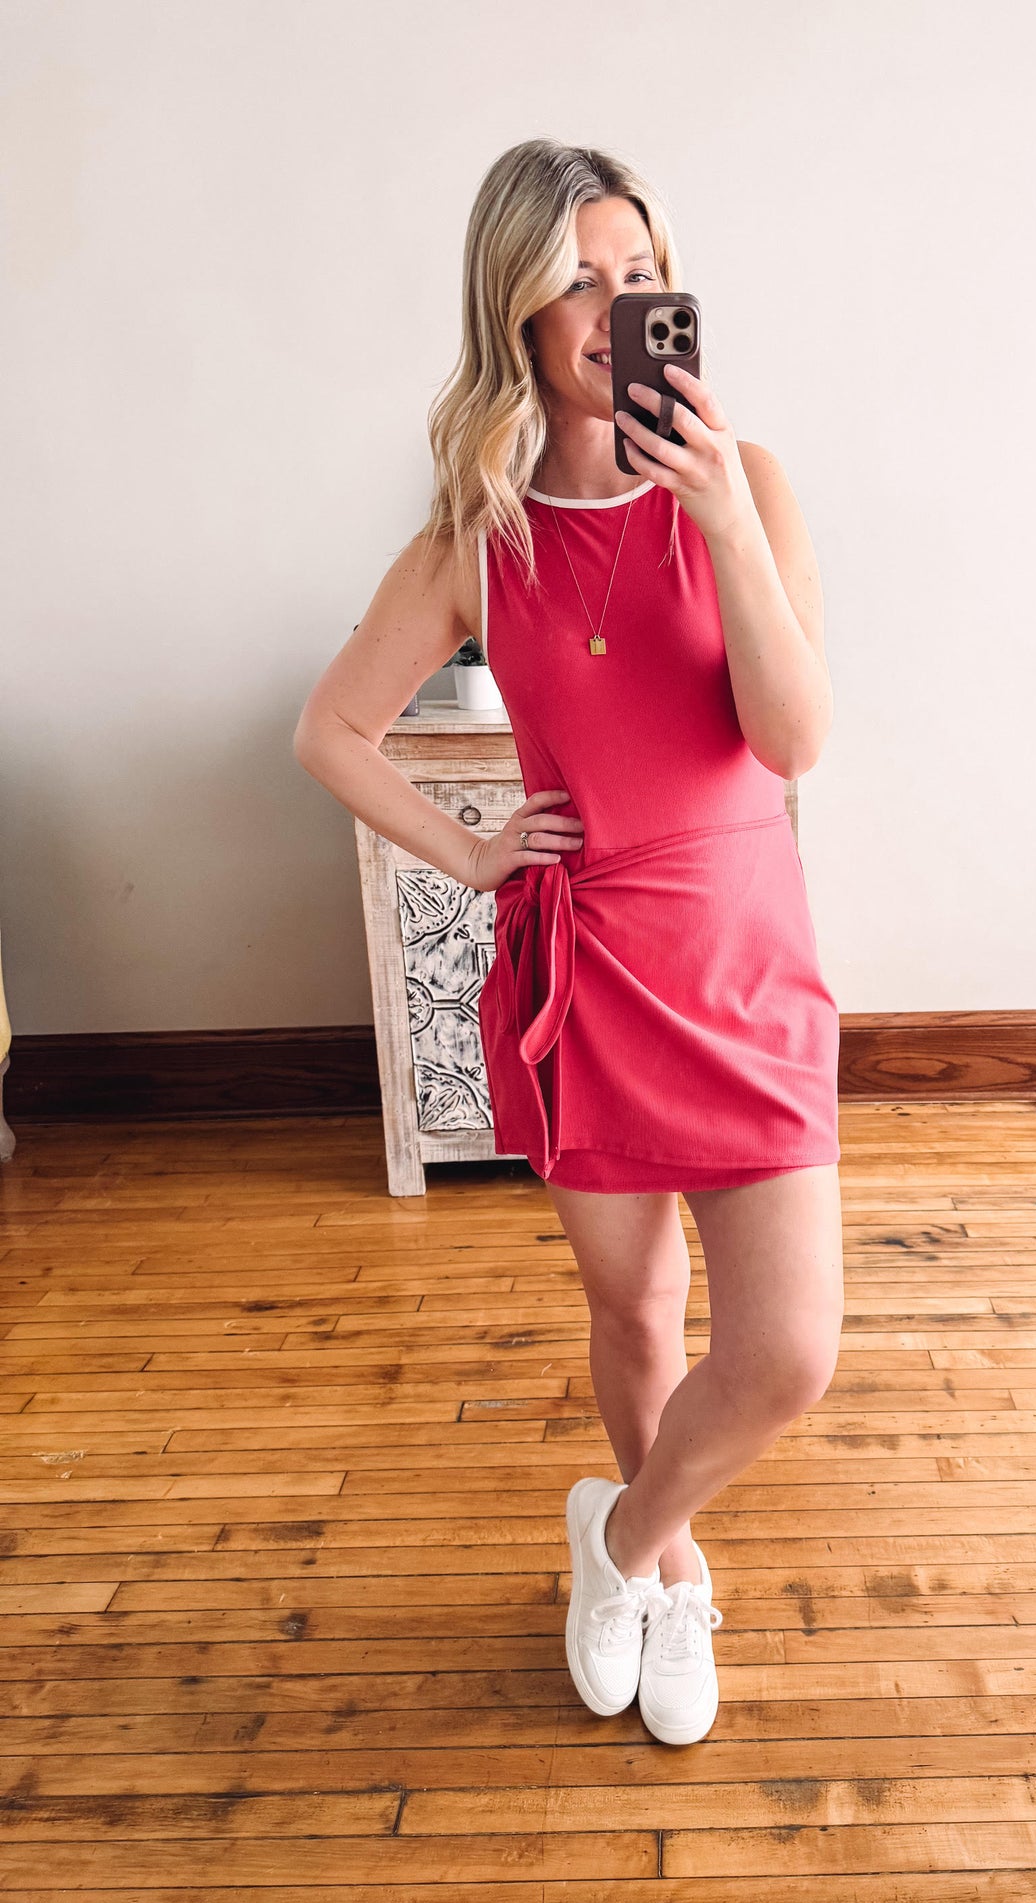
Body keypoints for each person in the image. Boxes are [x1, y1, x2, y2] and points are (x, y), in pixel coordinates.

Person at [293, 138, 844, 1746]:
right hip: (588, 972)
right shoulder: (477, 542)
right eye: (580, 283)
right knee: (637, 1315)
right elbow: (329, 732)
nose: (618, 309)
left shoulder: (752, 482)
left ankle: (614, 1536)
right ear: (518, 317)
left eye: (639, 273)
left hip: (742, 957)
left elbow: (794, 743)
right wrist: (475, 852)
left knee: (786, 1351)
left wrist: (720, 521)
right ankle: (666, 1575)